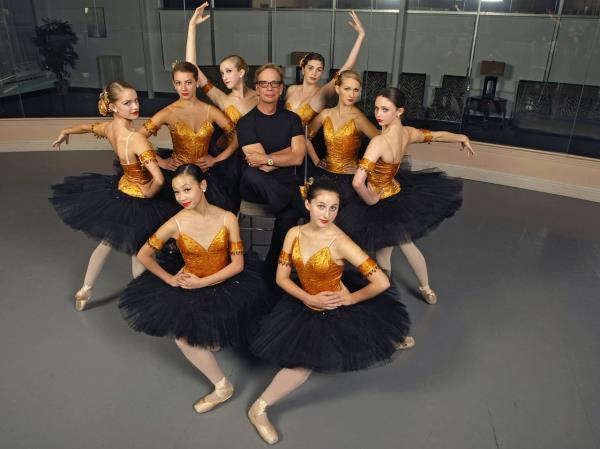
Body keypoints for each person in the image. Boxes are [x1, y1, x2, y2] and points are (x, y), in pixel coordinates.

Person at [247, 178, 413, 445]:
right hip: (305, 299)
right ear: (307, 204)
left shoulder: (341, 242)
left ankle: (259, 407)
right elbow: (281, 278)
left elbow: (381, 282)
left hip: (334, 302)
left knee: (328, 350)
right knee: (304, 361)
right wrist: (307, 297)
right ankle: (259, 409)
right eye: (321, 206)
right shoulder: (294, 234)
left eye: (333, 208)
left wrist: (350, 299)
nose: (326, 214)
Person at [119, 164, 266, 413]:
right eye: (177, 192)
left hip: (225, 281)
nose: (182, 198)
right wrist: (169, 280)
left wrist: (204, 282)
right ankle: (222, 386)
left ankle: (212, 338)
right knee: (183, 338)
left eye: (187, 189)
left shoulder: (227, 218)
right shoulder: (175, 223)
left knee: (220, 321)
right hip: (192, 284)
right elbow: (144, 255)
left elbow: (238, 265)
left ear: (203, 186)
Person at [50, 81, 179, 311]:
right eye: (127, 102)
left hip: (120, 192)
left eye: (136, 100)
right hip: (138, 199)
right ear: (113, 107)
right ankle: (142, 301)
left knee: (107, 242)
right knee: (140, 250)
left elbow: (87, 128)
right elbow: (158, 179)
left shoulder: (110, 129)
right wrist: (149, 193)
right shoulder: (136, 138)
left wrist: (65, 131)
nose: (135, 106)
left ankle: (85, 290)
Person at [340, 87, 474, 304]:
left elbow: (357, 182)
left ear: (399, 111)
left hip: (381, 199)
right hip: (396, 193)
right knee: (396, 247)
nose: (378, 114)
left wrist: (370, 199)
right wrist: (462, 136)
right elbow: (437, 135)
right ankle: (422, 288)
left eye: (385, 109)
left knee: (394, 248)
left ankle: (393, 292)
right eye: (376, 108)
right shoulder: (407, 133)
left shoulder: (379, 142)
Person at [236, 63, 306, 279]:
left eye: (274, 83)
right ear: (256, 88)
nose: (269, 88)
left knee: (288, 215)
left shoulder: (292, 119)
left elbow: (298, 157)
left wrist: (268, 157)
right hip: (256, 186)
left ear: (281, 88)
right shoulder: (246, 122)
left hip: (284, 184)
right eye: (264, 83)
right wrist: (282, 156)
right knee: (250, 173)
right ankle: (297, 203)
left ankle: (271, 269)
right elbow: (260, 166)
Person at [138, 61, 237, 212]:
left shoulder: (211, 111)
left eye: (188, 82)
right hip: (176, 175)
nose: (183, 88)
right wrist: (161, 162)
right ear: (173, 84)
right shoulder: (168, 112)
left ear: (197, 82)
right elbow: (137, 138)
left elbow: (237, 137)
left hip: (205, 175)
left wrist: (216, 159)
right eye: (178, 83)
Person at [306, 70, 379, 203]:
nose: (352, 94)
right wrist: (316, 161)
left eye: (356, 90)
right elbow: (304, 137)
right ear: (337, 88)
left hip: (348, 179)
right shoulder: (325, 114)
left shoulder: (359, 118)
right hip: (325, 175)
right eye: (347, 89)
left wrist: (362, 167)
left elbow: (382, 143)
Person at [285, 11, 366, 127]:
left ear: (322, 72)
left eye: (319, 70)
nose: (314, 73)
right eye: (310, 68)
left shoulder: (322, 92)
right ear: (303, 69)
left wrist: (361, 35)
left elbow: (347, 66)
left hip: (305, 142)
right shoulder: (291, 90)